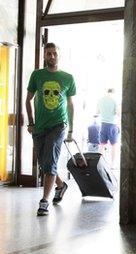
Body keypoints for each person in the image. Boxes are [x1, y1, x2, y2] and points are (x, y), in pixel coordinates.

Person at [25, 42, 76, 216]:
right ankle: (61, 185)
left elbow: (70, 104)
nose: (52, 56)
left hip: (59, 125)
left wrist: (70, 130)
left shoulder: (68, 78)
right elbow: (28, 100)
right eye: (48, 54)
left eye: (54, 53)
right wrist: (31, 123)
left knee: (51, 161)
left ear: (58, 55)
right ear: (44, 56)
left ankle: (44, 201)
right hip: (39, 126)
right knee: (44, 163)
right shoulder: (37, 75)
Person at [97, 88, 120, 167]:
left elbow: (97, 112)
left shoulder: (101, 100)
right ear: (113, 92)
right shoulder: (114, 100)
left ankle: (99, 164)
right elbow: (118, 113)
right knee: (113, 145)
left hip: (103, 124)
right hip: (112, 125)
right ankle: (112, 164)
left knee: (102, 144)